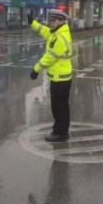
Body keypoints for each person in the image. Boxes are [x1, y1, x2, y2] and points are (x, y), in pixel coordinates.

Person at [28, 9, 73, 142]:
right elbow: (44, 31)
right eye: (51, 21)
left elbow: (50, 57)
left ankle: (60, 133)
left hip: (61, 79)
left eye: (53, 21)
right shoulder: (57, 32)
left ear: (61, 21)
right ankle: (61, 131)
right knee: (61, 106)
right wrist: (33, 23)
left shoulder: (60, 37)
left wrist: (36, 69)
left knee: (59, 107)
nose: (51, 23)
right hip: (59, 77)